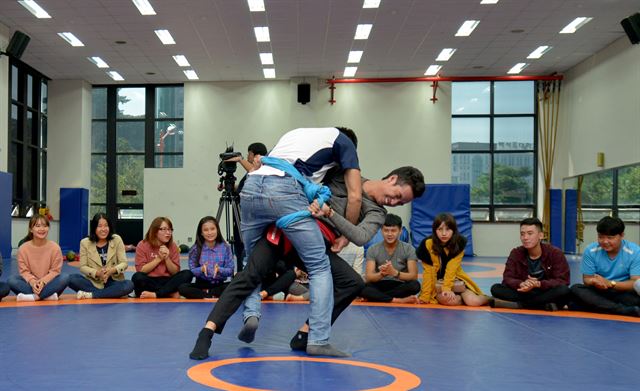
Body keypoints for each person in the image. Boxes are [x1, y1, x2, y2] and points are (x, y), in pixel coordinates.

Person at [189, 166, 425, 360]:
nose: (394, 202)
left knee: (352, 283)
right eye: (397, 195)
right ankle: (207, 332)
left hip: (314, 247)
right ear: (392, 178)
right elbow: (302, 171)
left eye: (400, 203)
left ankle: (305, 334)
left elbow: (360, 236)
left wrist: (330, 215)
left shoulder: (377, 212)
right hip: (288, 230)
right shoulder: (344, 174)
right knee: (250, 275)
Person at [238, 127, 363, 357]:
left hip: (251, 188)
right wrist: (345, 236)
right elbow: (355, 195)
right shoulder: (344, 142)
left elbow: (265, 167)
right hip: (284, 190)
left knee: (251, 260)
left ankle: (251, 314)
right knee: (319, 267)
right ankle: (318, 339)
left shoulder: (295, 133)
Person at [489, 217, 571, 311]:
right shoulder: (516, 253)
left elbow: (563, 281)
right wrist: (522, 284)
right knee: (496, 288)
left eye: (530, 233)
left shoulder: (555, 253)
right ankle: (542, 305)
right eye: (522, 234)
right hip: (525, 291)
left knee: (564, 291)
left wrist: (539, 284)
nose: (525, 238)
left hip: (544, 290)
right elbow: (507, 278)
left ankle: (520, 305)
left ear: (541, 235)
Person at [570, 216, 640, 316]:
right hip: (600, 291)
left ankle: (598, 306)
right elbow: (586, 279)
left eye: (610, 238)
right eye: (601, 237)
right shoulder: (590, 250)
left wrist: (611, 283)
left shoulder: (635, 251)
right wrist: (593, 281)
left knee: (636, 299)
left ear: (621, 235)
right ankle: (622, 310)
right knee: (576, 289)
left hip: (623, 291)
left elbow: (635, 283)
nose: (605, 241)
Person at [417, 213, 488, 306]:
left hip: (456, 280)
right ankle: (463, 299)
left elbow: (452, 269)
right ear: (434, 230)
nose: (444, 233)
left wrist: (447, 288)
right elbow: (428, 272)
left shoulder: (459, 242)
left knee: (474, 302)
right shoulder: (427, 244)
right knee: (449, 300)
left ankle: (490, 299)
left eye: (448, 229)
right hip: (437, 284)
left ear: (454, 230)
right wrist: (425, 296)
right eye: (440, 229)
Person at [68, 213, 134, 299]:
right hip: (94, 282)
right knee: (71, 278)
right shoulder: (85, 242)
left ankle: (92, 295)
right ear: (94, 228)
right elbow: (83, 267)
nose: (103, 229)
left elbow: (124, 263)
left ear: (109, 227)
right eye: (99, 226)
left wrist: (111, 270)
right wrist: (97, 273)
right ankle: (108, 293)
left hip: (113, 281)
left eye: (106, 226)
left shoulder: (116, 239)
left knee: (129, 285)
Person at [360, 214, 420, 303]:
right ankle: (397, 300)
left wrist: (395, 273)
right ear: (381, 231)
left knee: (415, 285)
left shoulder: (409, 249)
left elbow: (413, 276)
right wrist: (382, 274)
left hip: (400, 284)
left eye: (393, 231)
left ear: (400, 231)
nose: (389, 234)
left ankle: (377, 297)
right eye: (386, 230)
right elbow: (369, 277)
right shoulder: (373, 249)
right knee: (360, 287)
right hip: (380, 283)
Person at [8, 214, 69, 301]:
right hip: (31, 284)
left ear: (48, 228)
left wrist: (43, 282)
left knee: (65, 277)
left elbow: (55, 271)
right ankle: (47, 296)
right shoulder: (23, 248)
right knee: (12, 280)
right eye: (37, 226)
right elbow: (24, 272)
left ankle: (33, 297)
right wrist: (33, 282)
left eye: (45, 226)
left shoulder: (55, 248)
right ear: (31, 229)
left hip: (49, 283)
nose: (42, 229)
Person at [131, 217, 193, 298]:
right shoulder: (142, 245)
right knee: (137, 277)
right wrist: (159, 259)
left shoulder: (173, 246)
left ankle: (157, 294)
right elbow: (141, 270)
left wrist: (167, 258)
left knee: (188, 274)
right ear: (155, 231)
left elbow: (175, 272)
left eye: (170, 229)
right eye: (164, 229)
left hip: (168, 281)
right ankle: (168, 293)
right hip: (149, 280)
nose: (168, 233)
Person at [178, 216, 234, 299]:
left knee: (235, 286)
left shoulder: (226, 247)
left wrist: (219, 270)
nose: (209, 232)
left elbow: (231, 270)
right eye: (206, 230)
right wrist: (201, 269)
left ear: (217, 230)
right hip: (201, 284)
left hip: (219, 284)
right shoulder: (195, 249)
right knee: (182, 288)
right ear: (201, 233)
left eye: (212, 229)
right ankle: (210, 295)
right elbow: (192, 271)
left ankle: (207, 294)